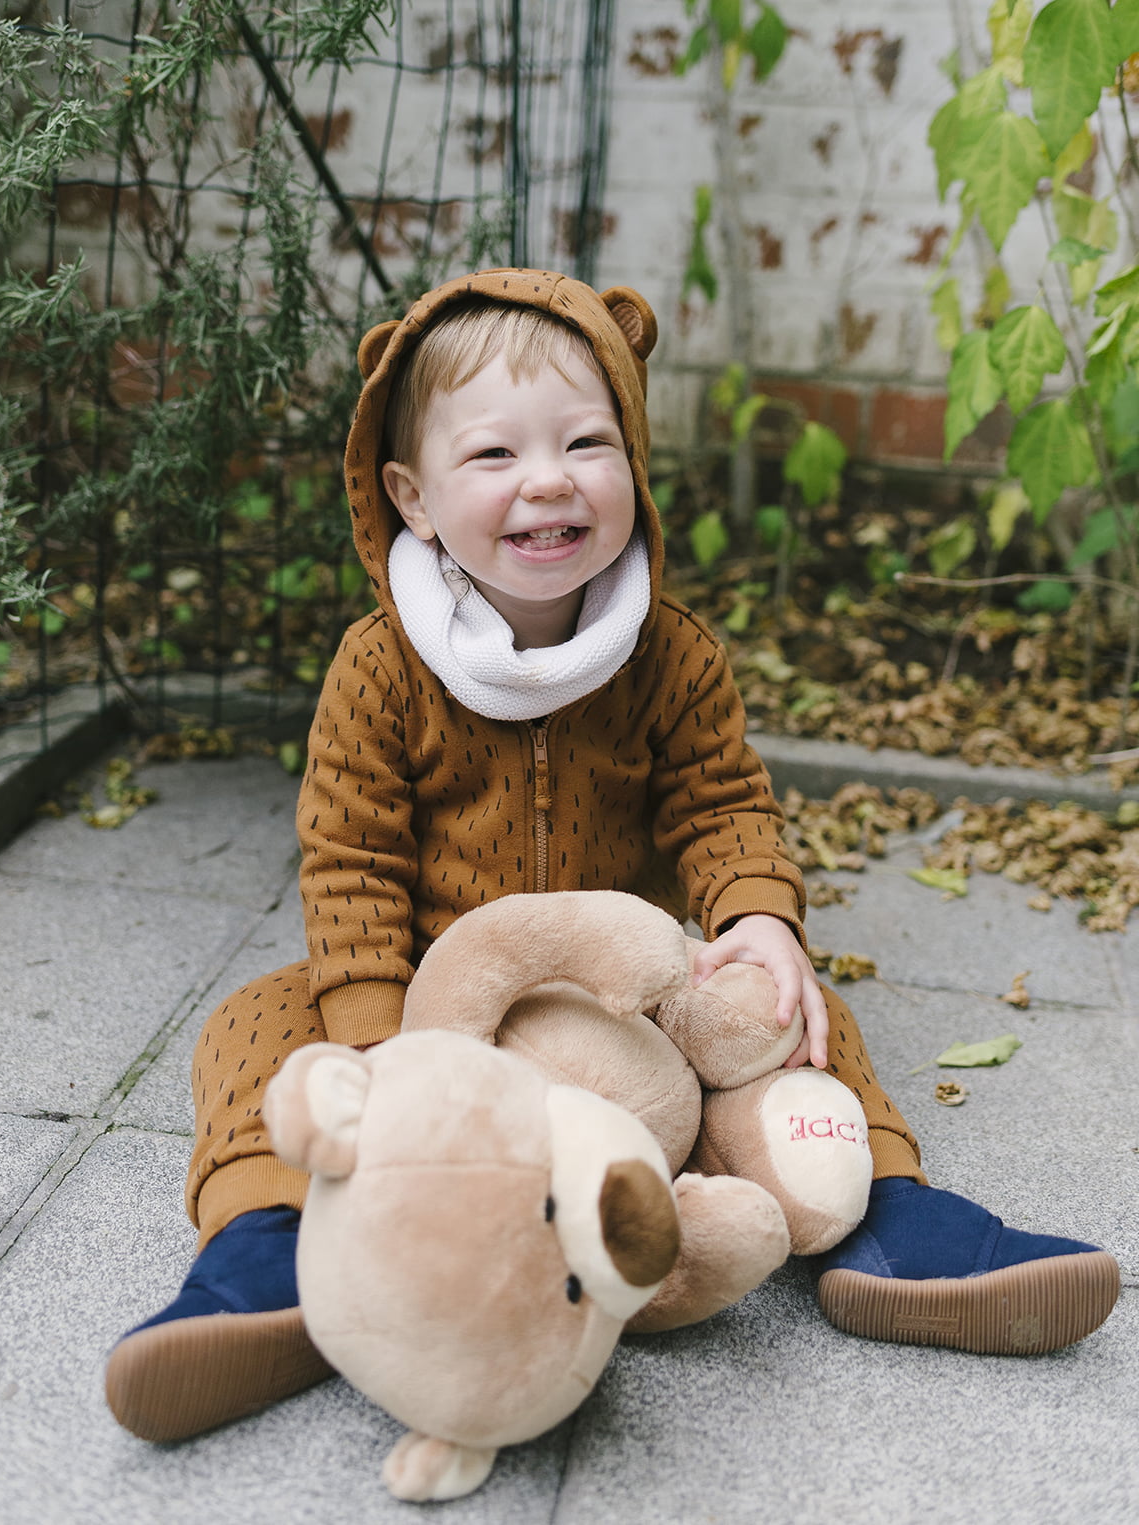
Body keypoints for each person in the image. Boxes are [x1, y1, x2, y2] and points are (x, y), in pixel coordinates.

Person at [105, 268, 1120, 1444]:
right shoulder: (382, 669)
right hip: (447, 997)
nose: (549, 479)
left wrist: (758, 921)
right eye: (493, 456)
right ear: (413, 496)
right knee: (257, 1025)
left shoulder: (669, 656)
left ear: (631, 466)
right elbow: (351, 864)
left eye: (587, 441)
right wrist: (387, 1047)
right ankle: (264, 1249)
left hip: (632, 999)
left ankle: (889, 1213)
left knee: (799, 1015)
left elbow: (723, 803)